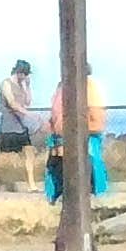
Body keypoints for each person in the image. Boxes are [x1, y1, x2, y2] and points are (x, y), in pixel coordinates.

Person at [40, 67, 106, 206]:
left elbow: (95, 114)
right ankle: (59, 194)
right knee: (58, 164)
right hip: (66, 132)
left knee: (87, 161)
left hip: (79, 131)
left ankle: (90, 193)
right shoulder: (66, 87)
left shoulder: (87, 87)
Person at [0, 59, 35, 155]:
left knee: (29, 154)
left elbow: (28, 102)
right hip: (9, 128)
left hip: (22, 126)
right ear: (19, 72)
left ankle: (29, 170)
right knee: (8, 157)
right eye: (25, 74)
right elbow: (12, 103)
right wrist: (29, 114)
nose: (26, 77)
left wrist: (28, 87)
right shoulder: (6, 84)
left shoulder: (22, 85)